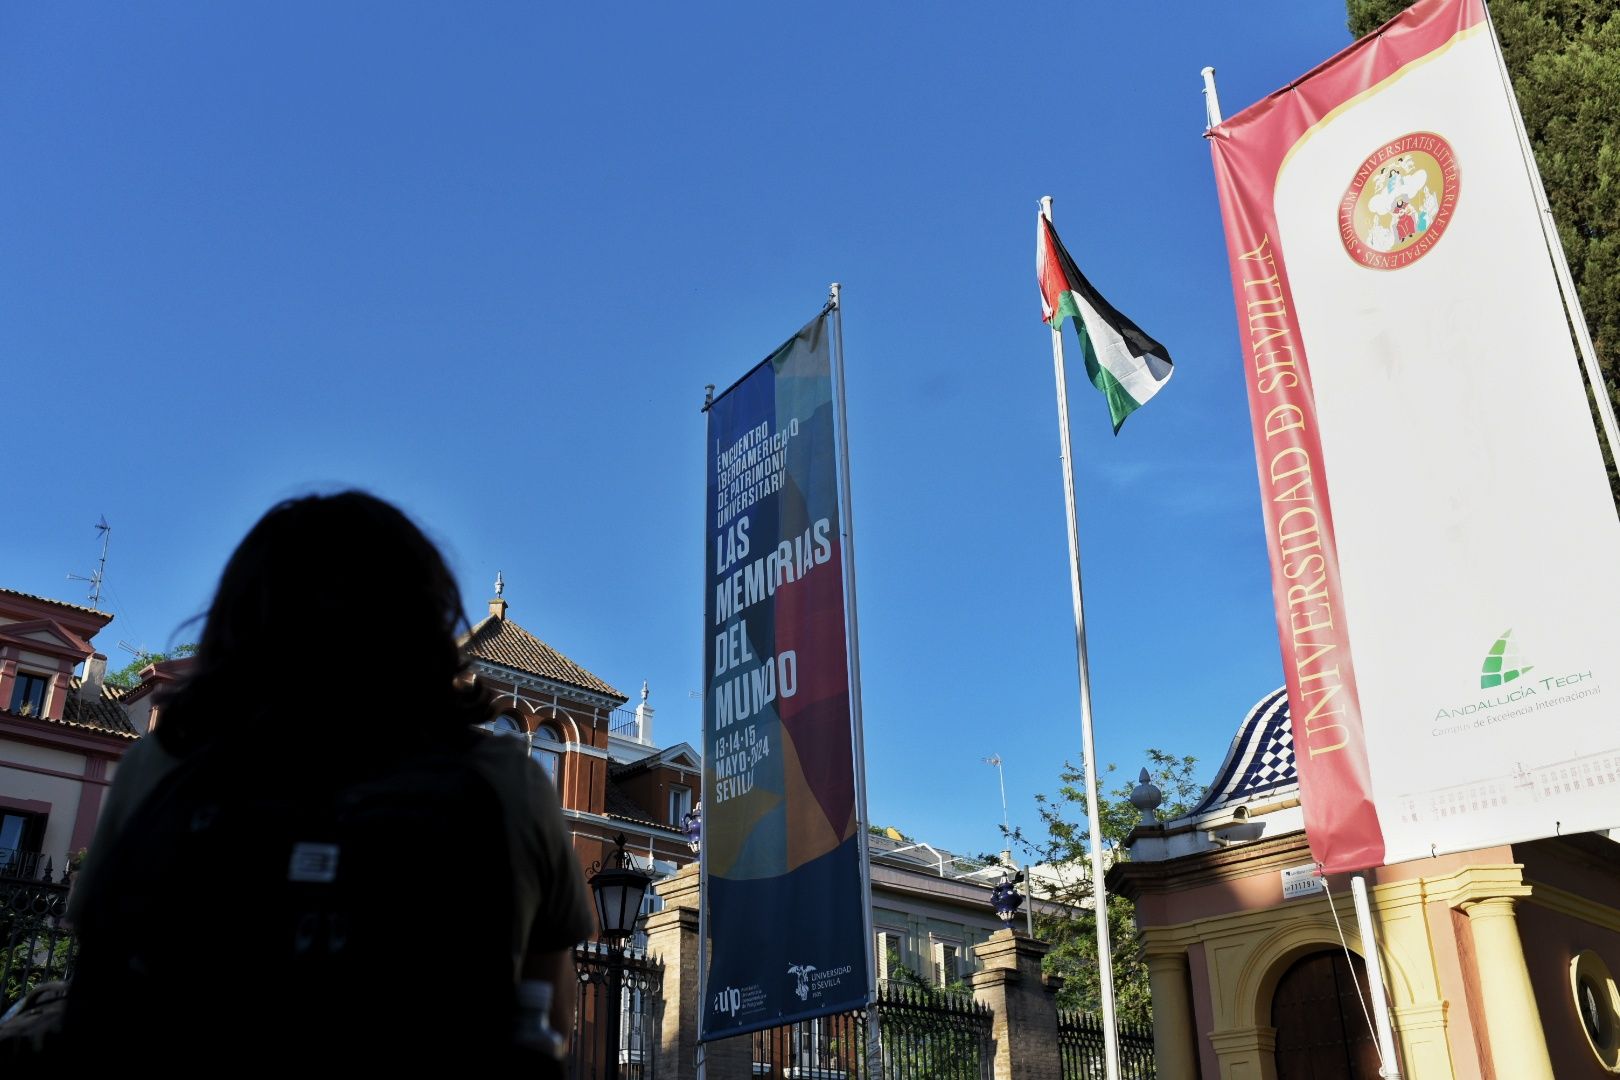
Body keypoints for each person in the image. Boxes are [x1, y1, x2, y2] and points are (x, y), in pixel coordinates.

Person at [64, 491, 594, 1068]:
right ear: (420, 622)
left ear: (242, 618)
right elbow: (550, 1017)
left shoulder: (162, 763)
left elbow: (101, 980)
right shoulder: (508, 781)